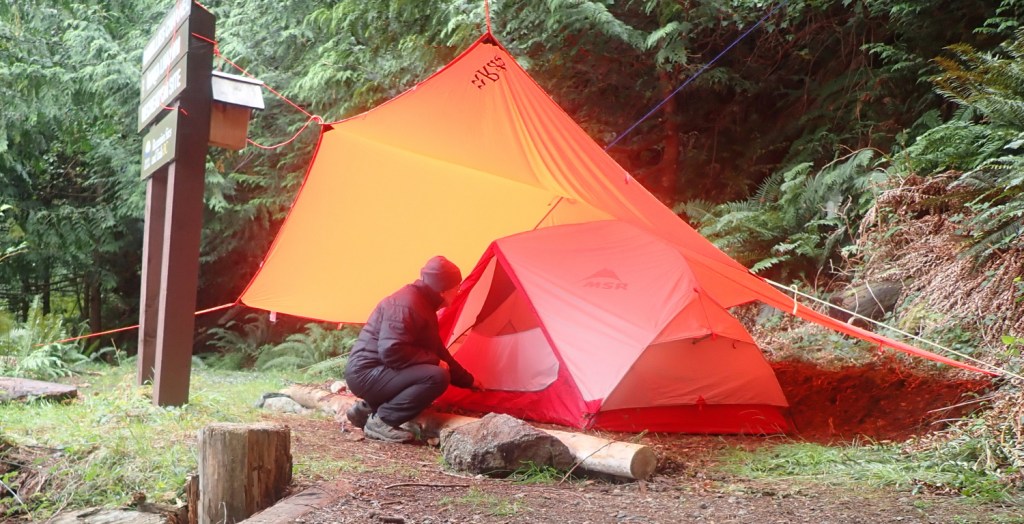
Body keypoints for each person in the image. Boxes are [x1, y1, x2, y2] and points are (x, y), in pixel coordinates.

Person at [343, 256, 481, 442]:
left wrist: (469, 381)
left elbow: (438, 351)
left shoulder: (421, 303)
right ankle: (382, 421)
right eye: (456, 287)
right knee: (435, 376)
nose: (458, 292)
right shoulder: (408, 304)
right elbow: (392, 350)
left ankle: (365, 410)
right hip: (366, 374)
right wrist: (433, 361)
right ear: (443, 290)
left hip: (372, 372)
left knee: (434, 370)